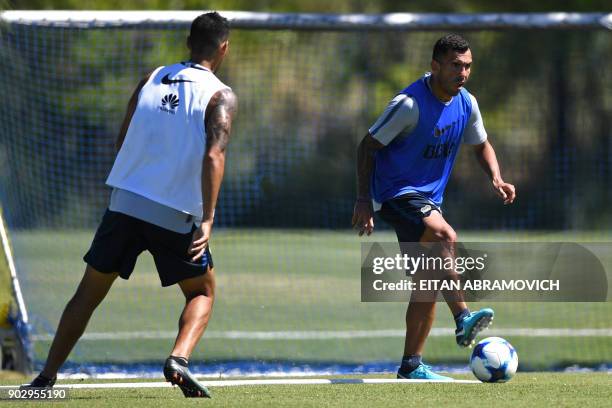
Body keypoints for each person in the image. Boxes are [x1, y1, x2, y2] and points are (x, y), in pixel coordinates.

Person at [23, 12, 237, 398]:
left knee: (87, 294)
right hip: (174, 214)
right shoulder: (221, 95)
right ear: (224, 47)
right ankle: (178, 360)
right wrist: (207, 219)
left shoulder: (151, 78)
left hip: (124, 203)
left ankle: (45, 379)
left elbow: (123, 139)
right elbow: (214, 156)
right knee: (202, 292)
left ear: (188, 43)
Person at [352, 34, 515, 380]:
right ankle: (463, 317)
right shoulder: (408, 104)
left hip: (428, 199)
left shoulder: (467, 103)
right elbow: (367, 147)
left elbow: (481, 143)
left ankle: (411, 365)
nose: (463, 72)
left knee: (427, 280)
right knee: (445, 234)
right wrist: (364, 199)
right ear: (435, 66)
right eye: (456, 65)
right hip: (395, 193)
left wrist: (496, 178)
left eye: (468, 66)